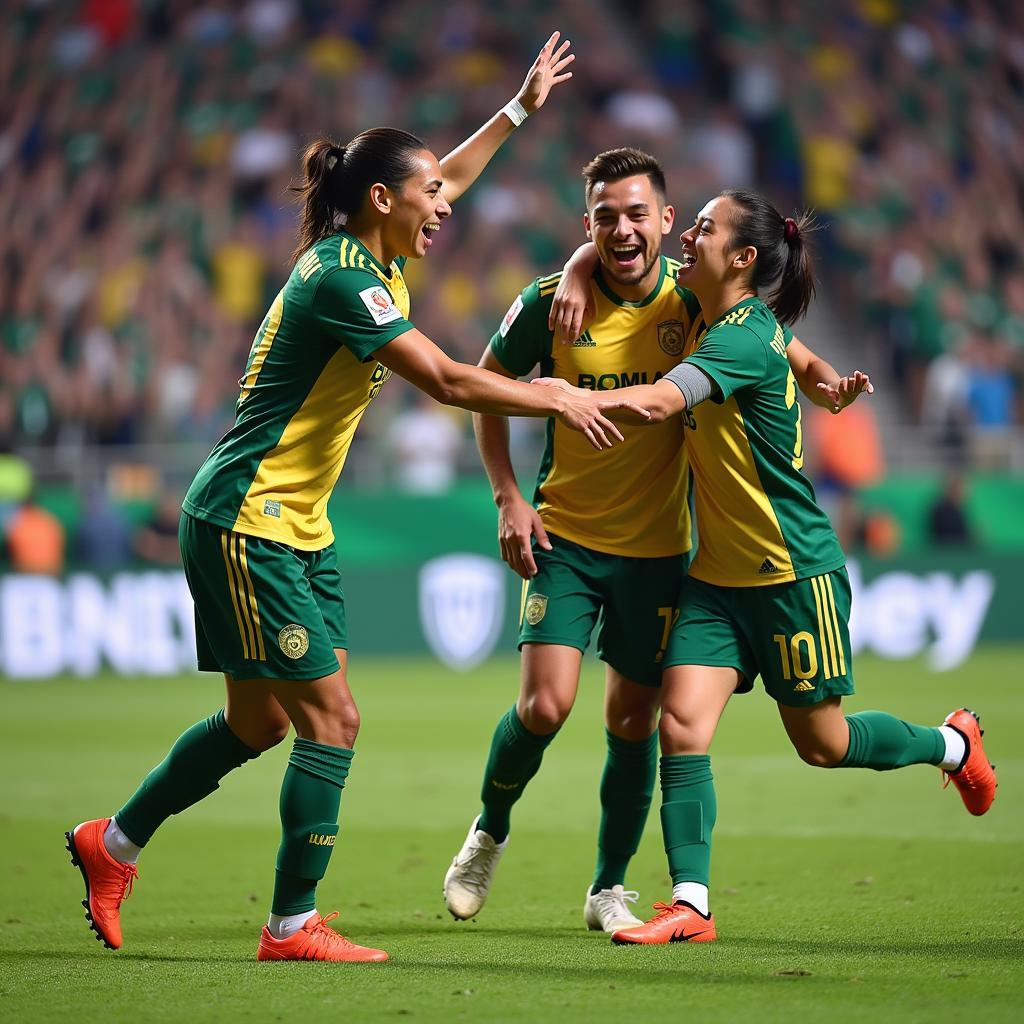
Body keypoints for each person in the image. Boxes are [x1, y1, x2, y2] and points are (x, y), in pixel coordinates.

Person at [65, 33, 650, 965]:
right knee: (331, 720)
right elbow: (453, 385)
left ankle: (114, 843)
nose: (443, 211)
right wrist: (556, 393)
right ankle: (291, 925)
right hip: (245, 521)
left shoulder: (372, 251)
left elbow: (445, 173)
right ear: (383, 199)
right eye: (428, 200)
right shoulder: (344, 278)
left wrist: (520, 107)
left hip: (290, 526)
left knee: (260, 722)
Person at [535, 188, 996, 945]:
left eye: (705, 228)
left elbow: (659, 403)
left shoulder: (740, 337)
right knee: (679, 727)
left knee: (825, 744)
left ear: (744, 259)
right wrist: (582, 266)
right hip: (714, 580)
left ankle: (953, 743)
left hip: (790, 571)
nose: (687, 233)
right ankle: (691, 903)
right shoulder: (708, 305)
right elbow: (628, 264)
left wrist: (558, 398)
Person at [443, 150, 875, 933]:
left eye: (638, 213)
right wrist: (508, 497)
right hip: (566, 538)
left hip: (661, 550)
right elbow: (485, 391)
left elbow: (776, 342)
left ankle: (608, 887)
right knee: (544, 705)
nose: (622, 229)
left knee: (636, 721)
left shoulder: (696, 300)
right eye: (604, 217)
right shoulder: (551, 303)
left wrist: (821, 379)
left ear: (667, 222)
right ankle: (487, 831)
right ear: (588, 225)